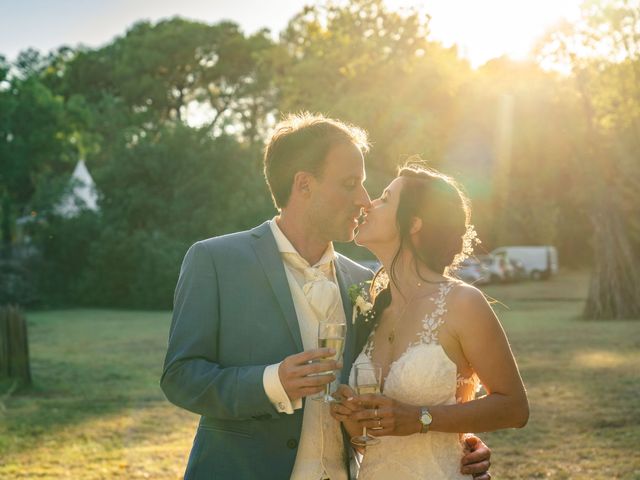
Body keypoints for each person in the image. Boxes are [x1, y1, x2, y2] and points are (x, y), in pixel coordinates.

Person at [160, 113, 492, 479]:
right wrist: (272, 382)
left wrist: (456, 441)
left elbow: (397, 386)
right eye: (350, 184)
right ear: (304, 184)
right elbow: (181, 376)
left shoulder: (366, 283)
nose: (364, 200)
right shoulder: (216, 260)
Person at [330, 164, 529, 479]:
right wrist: (351, 413)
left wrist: (421, 419)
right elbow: (373, 438)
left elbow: (515, 408)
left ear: (414, 223)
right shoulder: (373, 309)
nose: (369, 204)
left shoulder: (463, 303)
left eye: (385, 198)